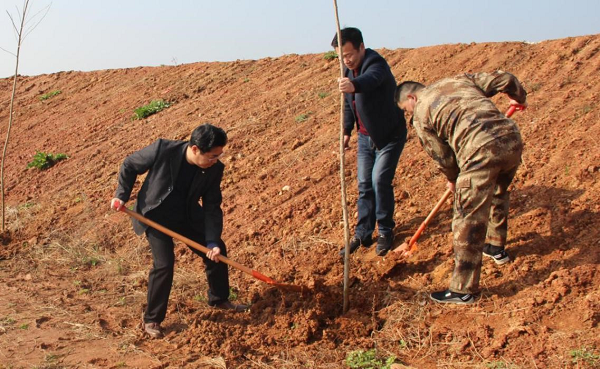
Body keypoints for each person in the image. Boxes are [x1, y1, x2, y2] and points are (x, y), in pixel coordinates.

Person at [395, 71, 527, 304]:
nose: (410, 114)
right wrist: (519, 98)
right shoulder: (458, 80)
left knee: (467, 217)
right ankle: (496, 247)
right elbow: (505, 79)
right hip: (511, 139)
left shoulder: (422, 113)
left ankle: (462, 290)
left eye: (406, 109)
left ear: (412, 98)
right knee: (497, 193)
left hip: (479, 150)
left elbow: (442, 156)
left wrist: (453, 178)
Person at [110, 123, 248, 338]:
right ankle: (153, 319)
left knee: (218, 250)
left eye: (218, 155)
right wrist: (121, 195)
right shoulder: (163, 149)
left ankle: (219, 299)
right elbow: (130, 164)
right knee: (164, 265)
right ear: (195, 149)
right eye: (212, 156)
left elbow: (212, 206)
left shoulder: (214, 169)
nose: (215, 160)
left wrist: (211, 241)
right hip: (155, 216)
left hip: (187, 216)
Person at [332, 27, 407, 257]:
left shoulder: (376, 64)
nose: (347, 60)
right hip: (365, 138)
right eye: (342, 57)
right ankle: (363, 232)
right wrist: (346, 131)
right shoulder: (347, 71)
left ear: (361, 48)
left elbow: (371, 80)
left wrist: (353, 85)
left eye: (350, 55)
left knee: (379, 180)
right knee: (364, 185)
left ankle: (385, 230)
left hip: (388, 137)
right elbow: (348, 104)